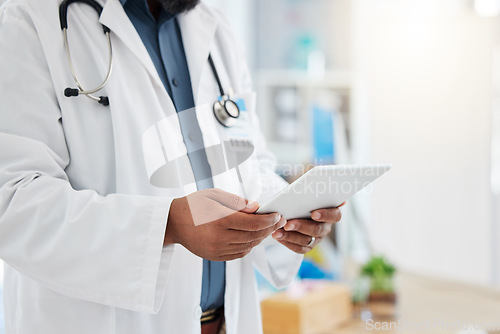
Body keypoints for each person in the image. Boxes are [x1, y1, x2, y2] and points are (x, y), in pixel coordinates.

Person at [0, 0, 343, 333]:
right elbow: (12, 201)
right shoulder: (26, 21)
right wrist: (167, 225)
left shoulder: (216, 30)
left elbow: (250, 163)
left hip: (225, 321)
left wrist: (288, 216)